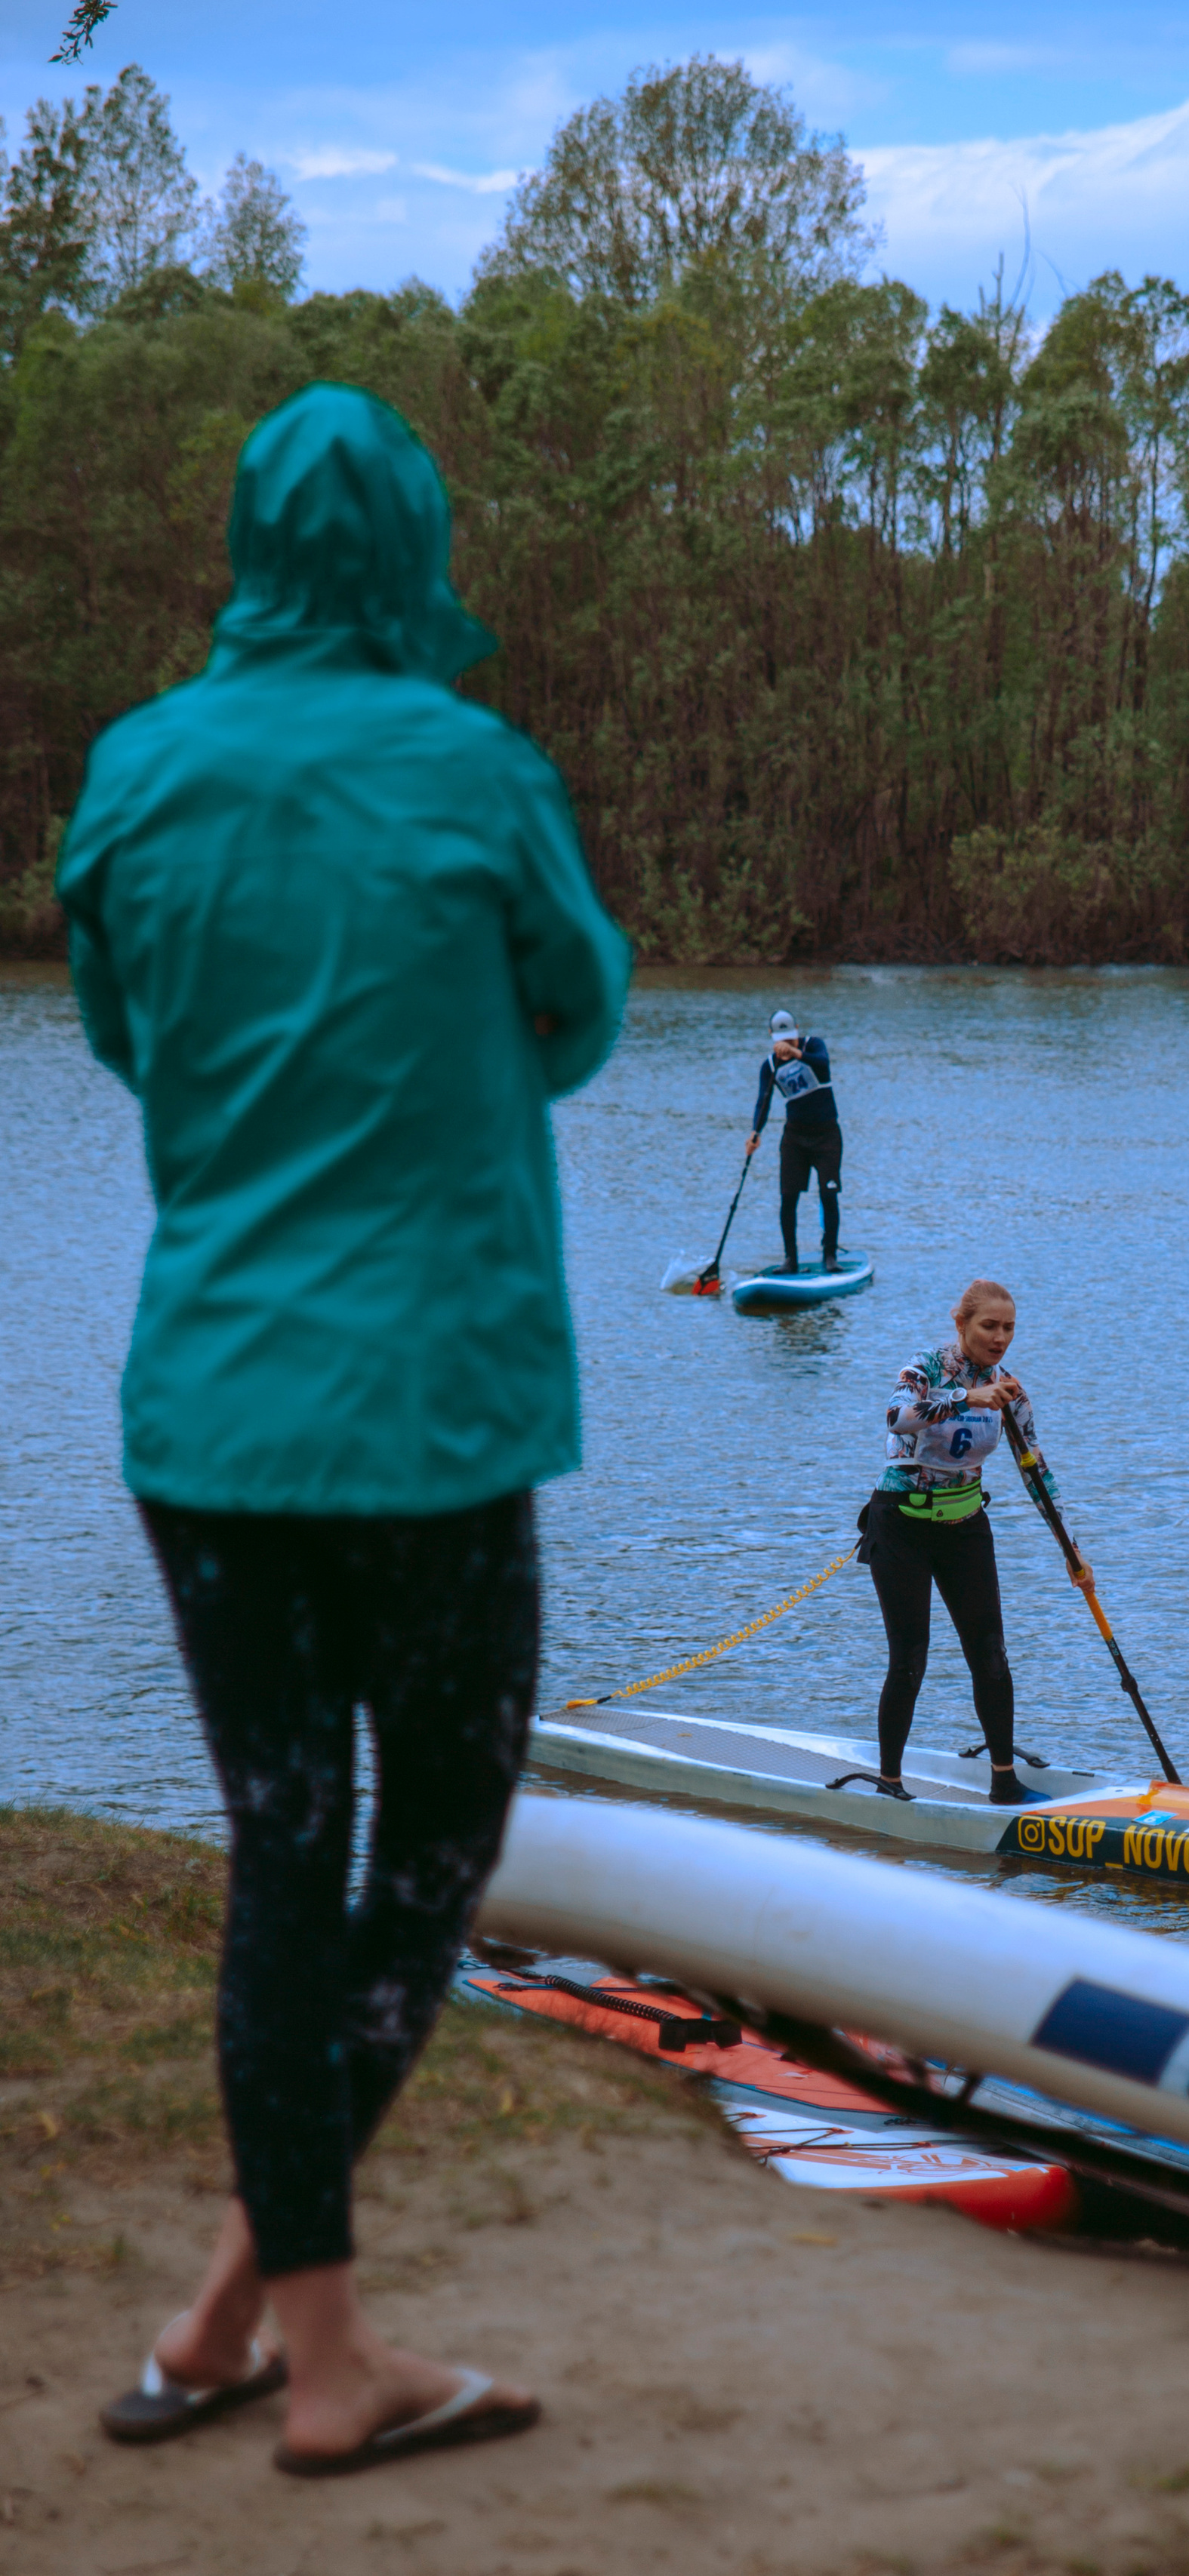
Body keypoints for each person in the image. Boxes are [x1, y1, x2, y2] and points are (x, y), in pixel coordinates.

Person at [59, 384, 630, 2474]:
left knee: (281, 1857)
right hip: (429, 1409)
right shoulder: (472, 772)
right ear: (409, 546)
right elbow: (577, 1008)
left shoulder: (138, 770)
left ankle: (241, 2310)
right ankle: (323, 2366)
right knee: (434, 1839)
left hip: (208, 1405)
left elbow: (126, 1034)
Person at [858, 1279, 1078, 1805]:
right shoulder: (925, 1369)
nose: (1000, 1338)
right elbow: (896, 1416)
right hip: (902, 1525)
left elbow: (1036, 1471)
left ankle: (1004, 1781)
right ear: (962, 1324)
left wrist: (1072, 1550)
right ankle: (890, 1780)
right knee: (910, 1657)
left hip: (965, 1527)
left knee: (990, 1655)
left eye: (1009, 1328)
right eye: (989, 1326)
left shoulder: (1011, 1391)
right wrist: (964, 1396)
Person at [747, 1008, 842, 1273]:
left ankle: (830, 1256)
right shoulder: (770, 1066)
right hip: (795, 1139)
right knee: (788, 1198)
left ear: (798, 1029)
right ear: (771, 1036)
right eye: (783, 1040)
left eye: (792, 1038)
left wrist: (798, 1054)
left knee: (829, 1194)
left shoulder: (814, 1046)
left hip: (827, 1137)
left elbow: (822, 1063)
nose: (789, 1044)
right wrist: (756, 1132)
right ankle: (791, 1260)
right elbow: (763, 1102)